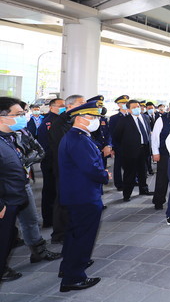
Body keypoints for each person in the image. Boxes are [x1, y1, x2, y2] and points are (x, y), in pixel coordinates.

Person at [58, 100, 109, 292]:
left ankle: (68, 268)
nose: (96, 120)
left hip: (76, 194)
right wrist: (104, 175)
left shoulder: (77, 136)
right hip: (84, 195)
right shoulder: (79, 139)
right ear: (79, 118)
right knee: (83, 237)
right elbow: (91, 168)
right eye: (93, 117)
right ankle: (74, 277)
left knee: (74, 234)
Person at [13, 119, 62, 265]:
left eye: (22, 113)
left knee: (30, 219)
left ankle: (38, 252)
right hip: (6, 186)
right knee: (7, 224)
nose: (22, 118)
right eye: (17, 114)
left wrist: (22, 160)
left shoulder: (22, 132)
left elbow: (40, 152)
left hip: (23, 181)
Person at [48, 94, 86, 245]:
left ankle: (70, 228)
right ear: (69, 106)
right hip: (65, 168)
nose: (85, 105)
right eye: (81, 103)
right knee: (63, 200)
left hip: (74, 168)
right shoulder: (59, 123)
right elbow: (65, 148)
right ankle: (60, 233)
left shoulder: (72, 120)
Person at [0, 97, 29, 282]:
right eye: (18, 115)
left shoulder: (8, 138)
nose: (23, 118)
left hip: (13, 200)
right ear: (2, 118)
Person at [113, 99, 153, 202]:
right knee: (129, 173)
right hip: (130, 151)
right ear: (129, 110)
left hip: (144, 149)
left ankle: (143, 189)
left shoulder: (145, 117)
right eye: (134, 107)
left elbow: (147, 133)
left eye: (138, 106)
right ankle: (127, 194)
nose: (137, 109)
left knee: (143, 171)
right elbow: (117, 136)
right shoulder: (124, 120)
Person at [37, 98, 65, 228]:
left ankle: (54, 218)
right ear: (52, 107)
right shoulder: (48, 122)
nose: (63, 107)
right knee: (49, 191)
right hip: (50, 162)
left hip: (58, 161)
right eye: (61, 105)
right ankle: (48, 219)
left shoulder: (61, 120)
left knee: (56, 190)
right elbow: (46, 146)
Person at [108, 95, 129, 191]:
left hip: (130, 145)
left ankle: (129, 182)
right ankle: (119, 184)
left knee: (129, 165)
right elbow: (111, 133)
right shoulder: (114, 118)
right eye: (123, 103)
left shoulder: (131, 116)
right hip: (119, 145)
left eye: (126, 103)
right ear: (118, 105)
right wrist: (112, 147)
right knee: (118, 165)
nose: (125, 105)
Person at [87, 96, 112, 170]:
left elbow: (108, 133)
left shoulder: (103, 119)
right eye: (98, 106)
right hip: (93, 150)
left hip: (104, 150)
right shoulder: (86, 119)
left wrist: (108, 145)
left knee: (102, 170)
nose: (100, 108)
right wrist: (99, 148)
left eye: (101, 106)